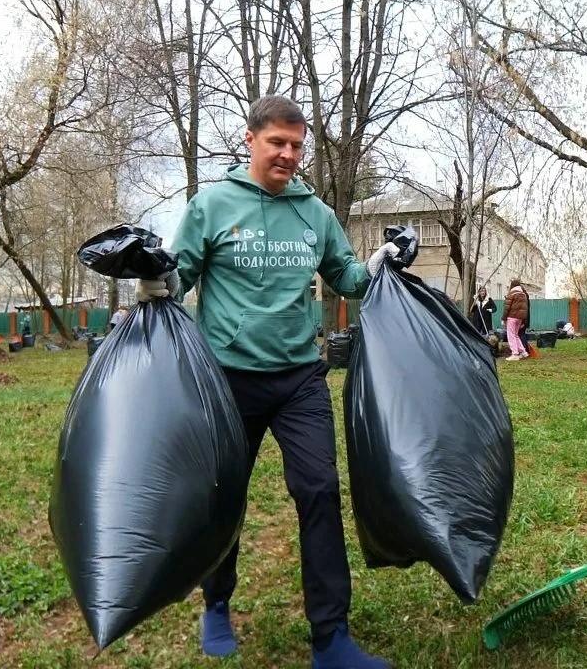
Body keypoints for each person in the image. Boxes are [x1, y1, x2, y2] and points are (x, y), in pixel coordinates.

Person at [135, 95, 402, 669]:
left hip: (299, 379)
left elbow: (347, 277)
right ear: (251, 139)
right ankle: (216, 603)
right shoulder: (212, 205)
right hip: (228, 381)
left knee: (320, 491)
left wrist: (382, 259)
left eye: (297, 146)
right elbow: (179, 276)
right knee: (223, 497)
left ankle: (330, 638)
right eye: (277, 142)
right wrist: (156, 281)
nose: (287, 154)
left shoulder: (315, 213)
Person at [503, 280, 529, 361]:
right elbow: (525, 309)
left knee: (511, 335)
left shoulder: (512, 293)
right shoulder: (523, 294)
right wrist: (524, 320)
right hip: (520, 318)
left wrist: (504, 318)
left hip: (512, 316)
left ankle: (514, 354)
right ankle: (523, 352)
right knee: (516, 335)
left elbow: (507, 307)